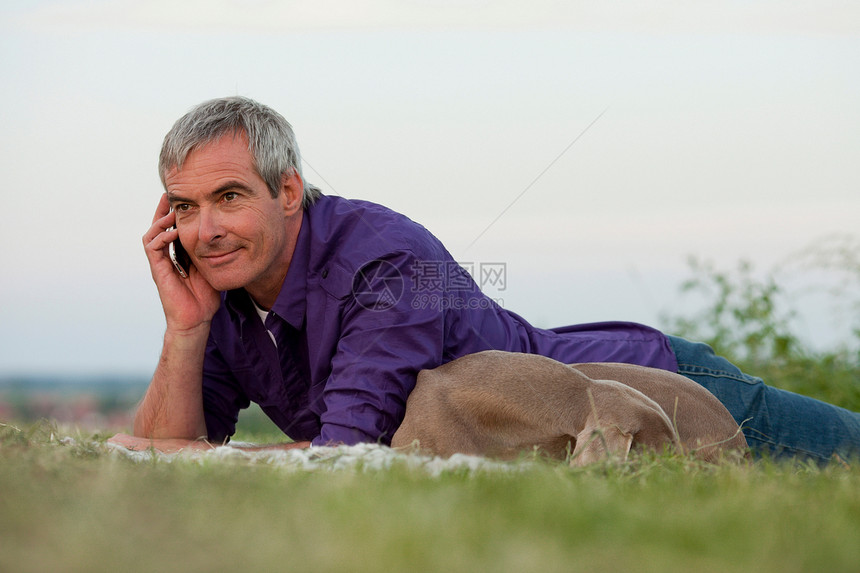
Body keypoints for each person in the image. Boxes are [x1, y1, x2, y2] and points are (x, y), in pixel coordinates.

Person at [111, 96, 860, 464]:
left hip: (654, 388)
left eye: (228, 196)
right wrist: (186, 329)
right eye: (184, 205)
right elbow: (171, 457)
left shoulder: (387, 265)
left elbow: (348, 455)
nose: (203, 229)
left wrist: (198, 458)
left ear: (287, 190)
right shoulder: (224, 292)